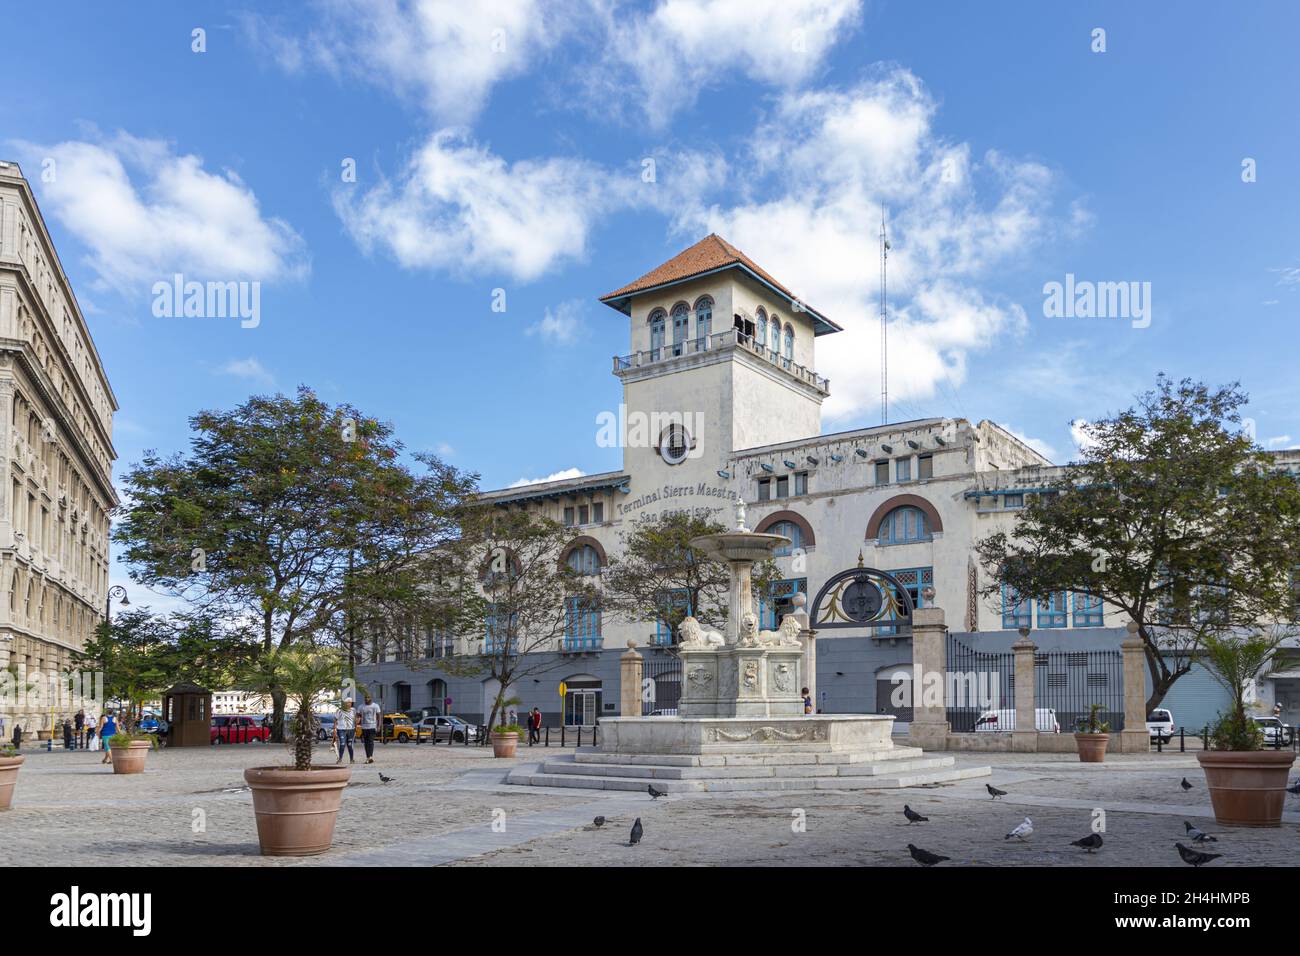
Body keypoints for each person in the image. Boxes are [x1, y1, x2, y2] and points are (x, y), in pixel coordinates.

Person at [334, 698, 356, 764]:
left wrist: (356, 726)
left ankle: (351, 759)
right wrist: (335, 729)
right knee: (342, 744)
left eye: (350, 702)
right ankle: (340, 759)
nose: (349, 704)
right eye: (347, 702)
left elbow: (355, 719)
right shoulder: (339, 710)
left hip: (351, 729)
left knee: (350, 744)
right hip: (341, 729)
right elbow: (335, 719)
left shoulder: (353, 710)